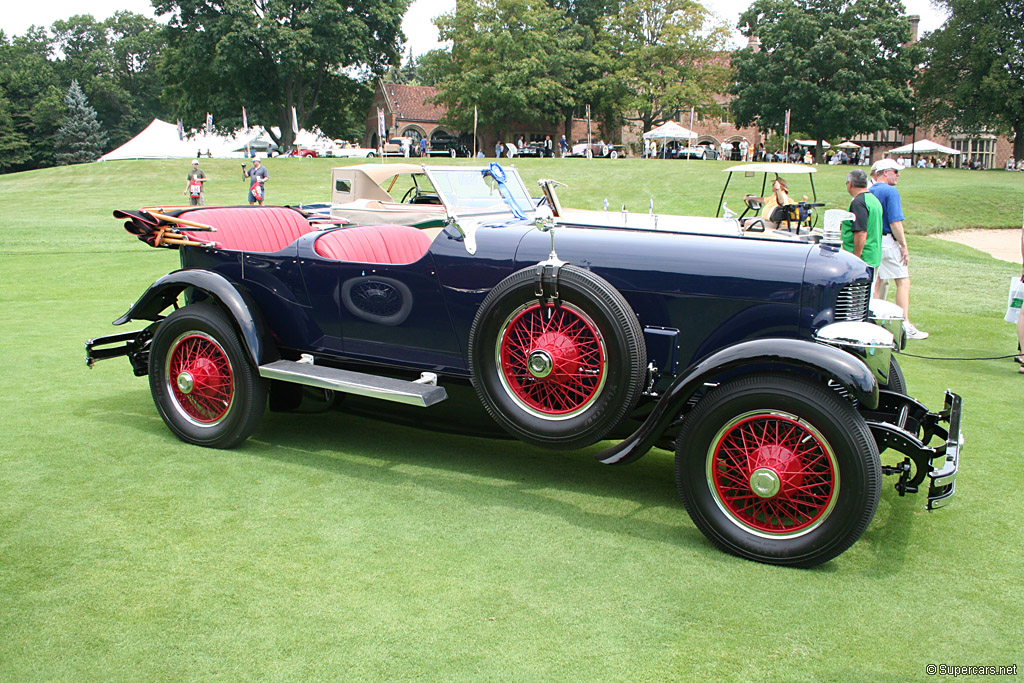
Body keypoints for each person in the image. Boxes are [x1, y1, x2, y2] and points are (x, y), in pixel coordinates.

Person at [870, 158, 927, 339]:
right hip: (888, 241)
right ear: (885, 173)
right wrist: (903, 245)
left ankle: (874, 322)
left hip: (873, 241)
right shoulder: (890, 191)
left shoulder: (869, 191)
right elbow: (895, 222)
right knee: (903, 281)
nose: (898, 175)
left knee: (877, 281)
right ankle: (905, 325)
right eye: (895, 171)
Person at [841, 169, 883, 271]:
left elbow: (861, 232)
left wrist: (856, 259)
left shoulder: (858, 203)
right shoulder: (873, 200)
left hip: (863, 258)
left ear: (850, 184)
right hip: (873, 255)